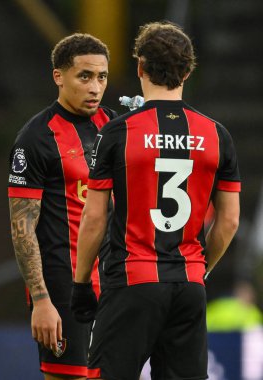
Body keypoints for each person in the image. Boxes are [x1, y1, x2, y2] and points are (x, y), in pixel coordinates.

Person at [70, 21, 241, 380]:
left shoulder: (118, 132)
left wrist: (82, 282)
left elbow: (95, 217)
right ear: (189, 71)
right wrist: (199, 268)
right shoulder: (216, 134)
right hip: (189, 287)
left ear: (140, 68)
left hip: (132, 283)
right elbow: (228, 222)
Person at [8, 33, 117, 380]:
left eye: (101, 77)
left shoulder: (114, 127)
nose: (95, 87)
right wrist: (41, 300)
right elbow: (21, 226)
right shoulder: (36, 138)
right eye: (84, 76)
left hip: (117, 286)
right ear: (59, 76)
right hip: (64, 291)